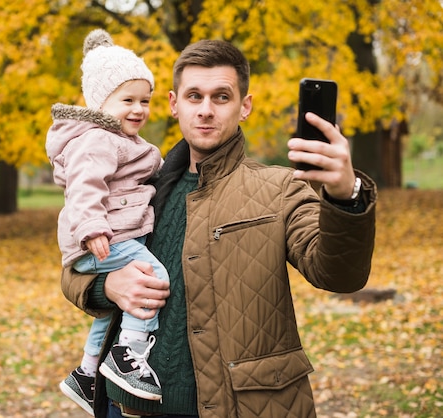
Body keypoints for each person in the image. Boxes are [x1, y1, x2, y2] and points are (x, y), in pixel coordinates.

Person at [61, 38, 377, 417]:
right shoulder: (142, 189)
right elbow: (74, 266)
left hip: (238, 407)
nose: (206, 110)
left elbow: (339, 274)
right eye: (194, 96)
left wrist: (345, 196)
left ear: (245, 106)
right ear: (174, 104)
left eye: (221, 97)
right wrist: (106, 285)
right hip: (127, 407)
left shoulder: (279, 188)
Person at [46, 29, 170, 415]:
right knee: (152, 278)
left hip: (106, 238)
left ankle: (87, 374)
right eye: (127, 100)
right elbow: (84, 187)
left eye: (144, 100)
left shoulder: (126, 142)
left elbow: (152, 173)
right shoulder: (97, 140)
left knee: (113, 308)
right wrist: (92, 229)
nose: (138, 109)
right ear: (101, 103)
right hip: (102, 238)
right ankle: (127, 355)